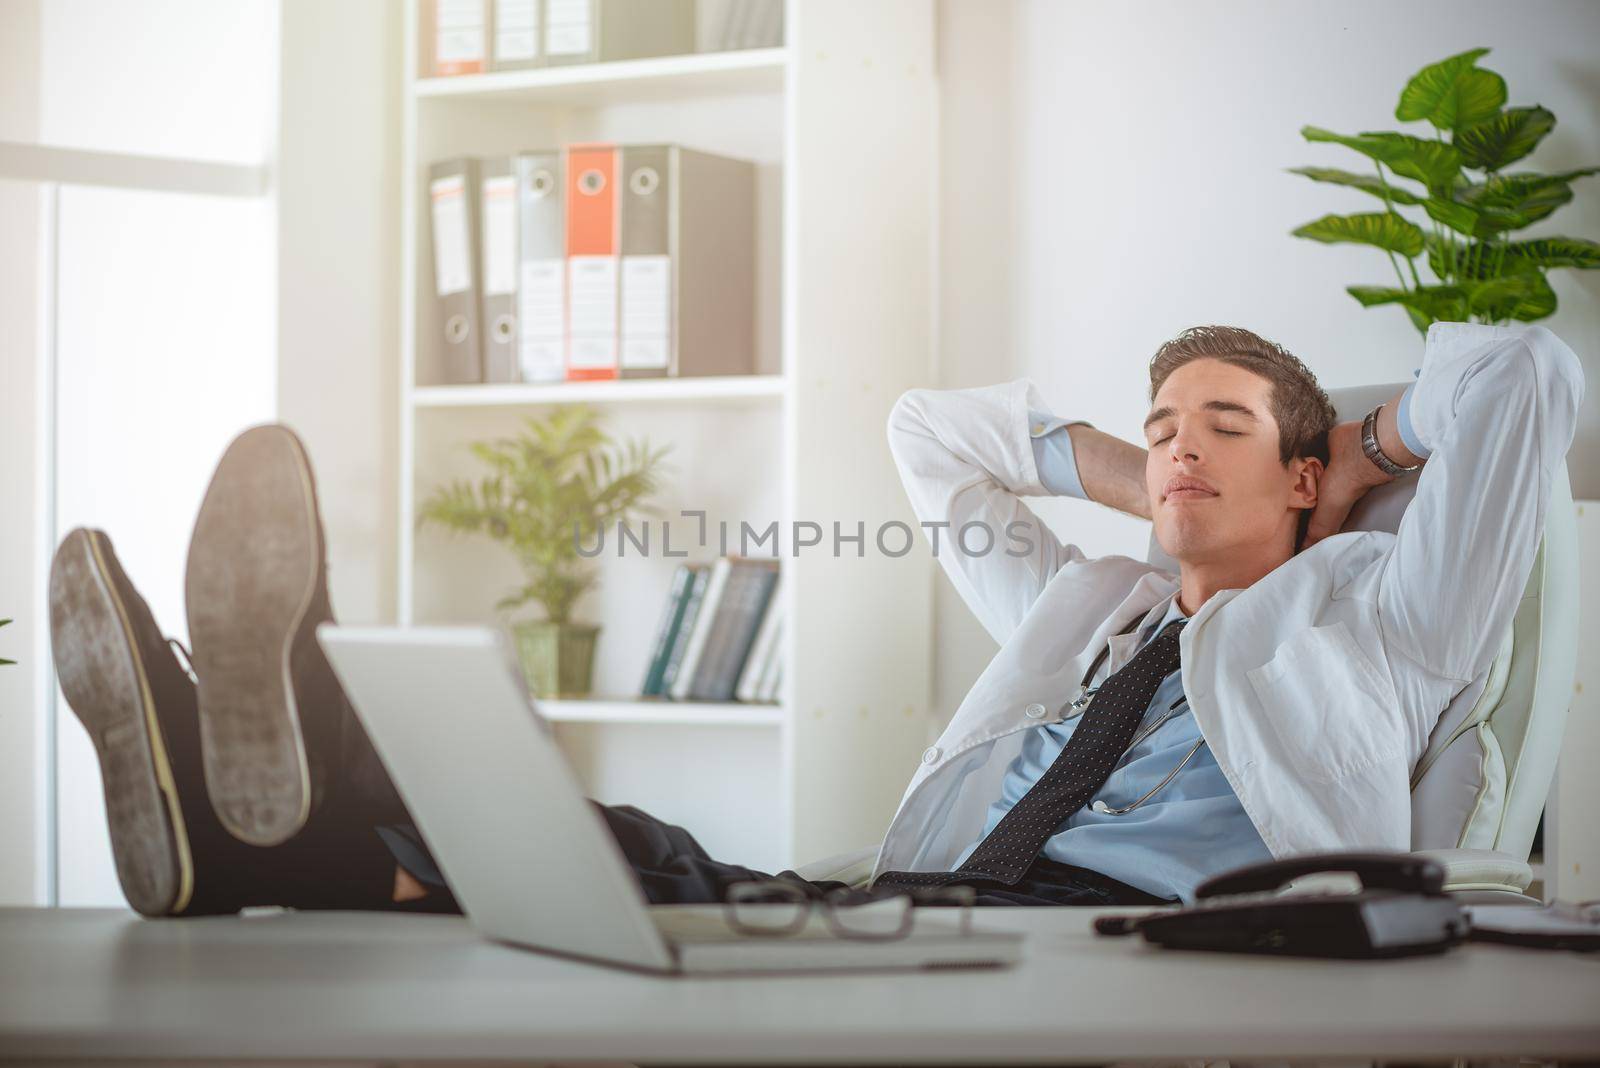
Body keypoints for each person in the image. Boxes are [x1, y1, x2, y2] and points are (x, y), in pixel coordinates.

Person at [50, 322, 1583, 918]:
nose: (1177, 441)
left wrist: (1352, 472)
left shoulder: (1380, 620)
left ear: (1306, 471)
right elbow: (929, 432)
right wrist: (1155, 489)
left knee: (619, 883)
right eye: (1158, 420)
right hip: (917, 908)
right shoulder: (1088, 610)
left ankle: (267, 774)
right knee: (600, 850)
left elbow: (1525, 378)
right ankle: (257, 803)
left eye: (1223, 424)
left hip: (1119, 940)